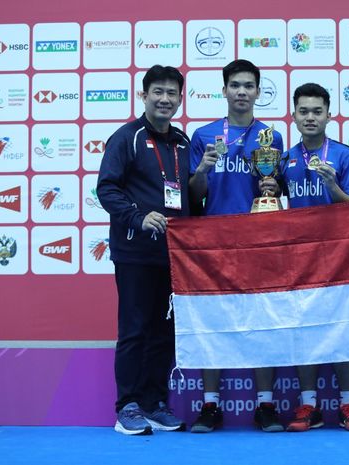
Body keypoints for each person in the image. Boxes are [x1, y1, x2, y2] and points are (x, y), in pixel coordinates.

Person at [188, 59, 285, 433]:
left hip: (258, 242)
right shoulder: (203, 136)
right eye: (235, 85)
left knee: (263, 323)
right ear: (224, 90)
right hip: (214, 241)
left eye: (249, 86)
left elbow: (275, 187)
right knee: (213, 324)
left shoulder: (271, 138)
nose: (242, 92)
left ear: (258, 92)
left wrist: (273, 187)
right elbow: (195, 196)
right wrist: (201, 171)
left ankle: (265, 406)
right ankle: (210, 406)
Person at [97, 65, 191, 435]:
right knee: (134, 330)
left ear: (180, 98)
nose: (165, 99)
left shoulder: (183, 142)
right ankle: (128, 406)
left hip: (174, 256)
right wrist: (137, 217)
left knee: (164, 333)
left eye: (172, 93)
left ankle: (154, 403)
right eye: (158, 92)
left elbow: (189, 196)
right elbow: (107, 189)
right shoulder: (126, 138)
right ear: (144, 95)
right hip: (135, 253)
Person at [268, 83, 349, 432]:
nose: (310, 117)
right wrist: (269, 188)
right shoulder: (284, 158)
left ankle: (348, 404)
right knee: (304, 331)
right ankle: (308, 404)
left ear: (328, 115)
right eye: (304, 111)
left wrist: (333, 186)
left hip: (338, 259)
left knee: (341, 332)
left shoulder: (343, 156)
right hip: (298, 260)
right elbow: (278, 203)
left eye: (317, 111)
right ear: (293, 115)